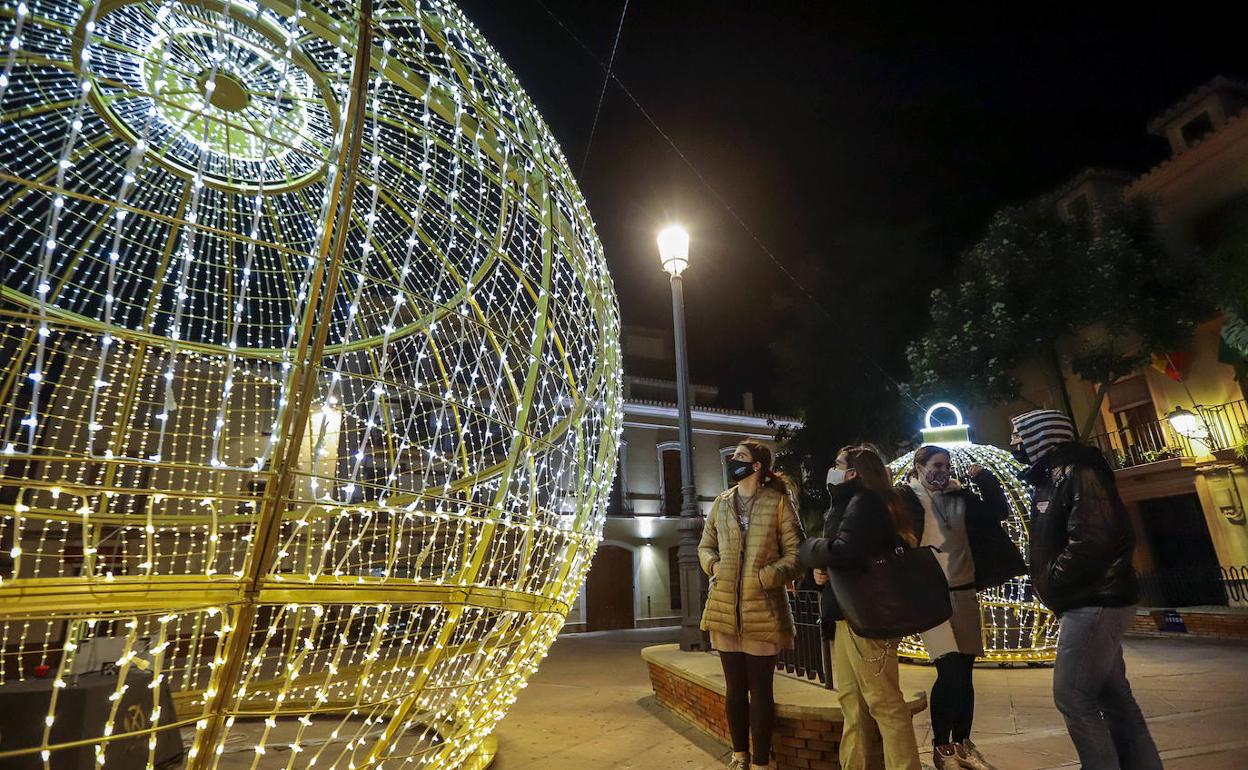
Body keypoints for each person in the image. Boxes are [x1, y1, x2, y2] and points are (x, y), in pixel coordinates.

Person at [1010, 409, 1162, 770]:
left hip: (1093, 601)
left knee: (1073, 696)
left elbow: (1092, 541)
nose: (1014, 443)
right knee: (1115, 697)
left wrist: (1055, 582)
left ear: (1041, 437)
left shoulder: (1080, 473)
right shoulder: (1054, 476)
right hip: (1092, 599)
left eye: (1018, 435)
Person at [798, 446, 922, 770]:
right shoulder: (852, 503)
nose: (833, 469)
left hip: (865, 616)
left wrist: (811, 549)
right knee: (852, 703)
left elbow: (844, 551)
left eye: (838, 464)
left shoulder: (864, 502)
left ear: (852, 472)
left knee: (884, 703)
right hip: (846, 613)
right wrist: (821, 570)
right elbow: (849, 554)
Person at [906, 446, 1023, 770]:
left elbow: (999, 511)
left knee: (965, 672)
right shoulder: (907, 501)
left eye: (946, 465)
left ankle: (962, 742)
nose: (941, 471)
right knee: (950, 671)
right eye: (935, 465)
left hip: (965, 592)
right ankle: (942, 746)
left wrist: (985, 479)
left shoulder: (962, 499)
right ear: (919, 467)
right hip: (932, 598)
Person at [699, 440, 804, 770]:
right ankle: (738, 754)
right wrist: (714, 566)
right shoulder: (722, 502)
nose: (734, 461)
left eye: (740, 457)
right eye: (734, 457)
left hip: (763, 610)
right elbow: (706, 545)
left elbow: (796, 554)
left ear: (757, 466)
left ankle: (760, 761)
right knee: (734, 689)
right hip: (725, 607)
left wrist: (765, 577)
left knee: (761, 691)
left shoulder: (777, 503)